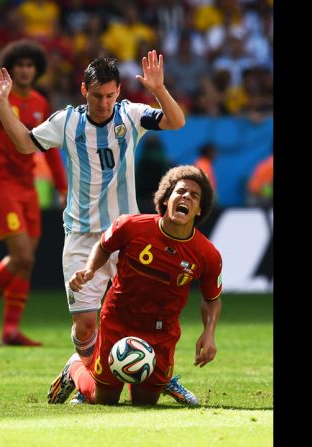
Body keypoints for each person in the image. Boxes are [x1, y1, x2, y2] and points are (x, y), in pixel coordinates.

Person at [0, 51, 200, 405]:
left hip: (127, 235)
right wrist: (1, 103)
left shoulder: (130, 115)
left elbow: (176, 121)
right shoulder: (66, 122)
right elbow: (24, 144)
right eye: (98, 95)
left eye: (111, 96)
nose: (104, 103)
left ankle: (161, 377)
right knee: (86, 324)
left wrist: (159, 89)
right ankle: (84, 367)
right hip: (82, 236)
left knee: (146, 316)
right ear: (83, 90)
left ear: (118, 93)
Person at [47, 165, 223, 405]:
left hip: (162, 331)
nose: (186, 197)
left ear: (199, 209)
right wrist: (90, 269)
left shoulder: (207, 254)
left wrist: (209, 332)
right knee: (104, 399)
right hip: (119, 320)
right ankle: (75, 368)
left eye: (194, 195)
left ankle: (163, 382)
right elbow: (103, 246)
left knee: (145, 403)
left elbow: (212, 299)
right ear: (166, 198)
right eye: (180, 191)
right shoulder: (131, 226)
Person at [0, 40, 68, 347]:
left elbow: (49, 148)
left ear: (36, 69)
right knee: (21, 254)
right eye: (20, 65)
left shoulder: (39, 103)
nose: (25, 70)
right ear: (10, 69)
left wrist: (62, 186)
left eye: (30, 65)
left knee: (26, 261)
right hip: (0, 186)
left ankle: (11, 328)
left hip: (28, 189)